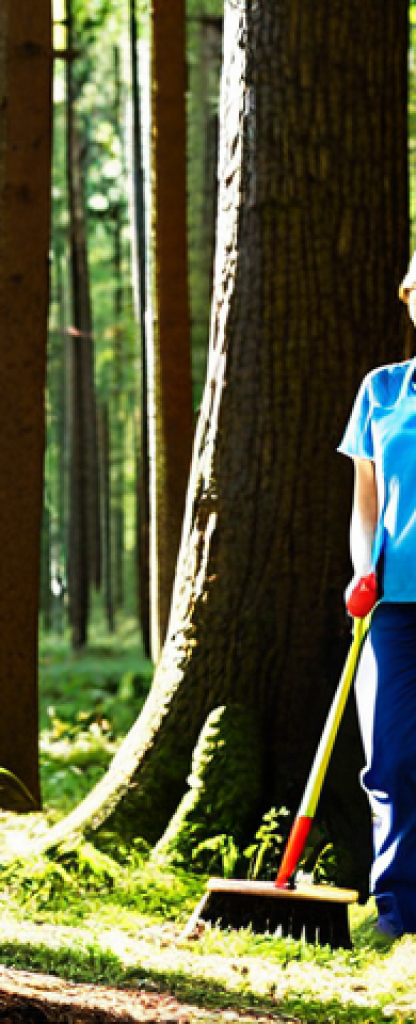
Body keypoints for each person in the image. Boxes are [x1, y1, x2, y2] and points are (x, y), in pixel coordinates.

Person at [340, 253, 416, 940]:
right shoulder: (383, 391)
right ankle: (399, 915)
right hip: (393, 606)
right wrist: (361, 567)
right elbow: (366, 500)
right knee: (391, 756)